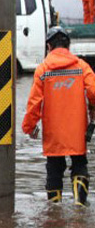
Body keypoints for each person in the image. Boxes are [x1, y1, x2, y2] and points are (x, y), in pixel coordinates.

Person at [23, 27, 95, 206]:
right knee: (79, 164)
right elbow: (94, 91)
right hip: (77, 129)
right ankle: (79, 205)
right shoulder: (81, 66)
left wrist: (29, 127)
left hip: (53, 131)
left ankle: (54, 211)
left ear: (49, 46)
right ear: (68, 46)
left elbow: (34, 103)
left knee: (54, 169)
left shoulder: (43, 70)